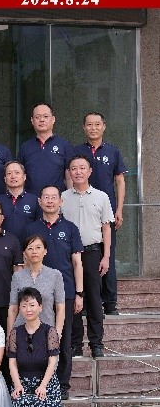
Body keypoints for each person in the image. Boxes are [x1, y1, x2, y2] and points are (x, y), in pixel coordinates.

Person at [25, 186, 82, 391]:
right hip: (36, 293)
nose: (50, 201)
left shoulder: (71, 228)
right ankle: (40, 382)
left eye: (54, 197)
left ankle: (62, 385)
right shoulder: (31, 228)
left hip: (65, 291)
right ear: (39, 201)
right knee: (36, 338)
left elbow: (77, 262)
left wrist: (79, 293)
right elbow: (26, 261)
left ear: (61, 201)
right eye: (46, 197)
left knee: (62, 339)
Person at [7, 287, 73, 407]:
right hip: (22, 380)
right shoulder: (15, 333)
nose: (28, 310)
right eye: (24, 306)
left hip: (45, 381)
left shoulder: (49, 331)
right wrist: (17, 385)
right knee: (21, 405)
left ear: (40, 307)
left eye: (32, 305)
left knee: (40, 406)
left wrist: (43, 385)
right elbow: (12, 363)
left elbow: (52, 362)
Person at [71, 112, 127, 316]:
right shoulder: (77, 151)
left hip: (106, 212)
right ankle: (85, 301)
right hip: (82, 212)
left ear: (104, 126)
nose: (93, 128)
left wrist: (119, 208)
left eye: (97, 124)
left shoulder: (113, 151)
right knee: (84, 257)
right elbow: (69, 177)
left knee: (107, 255)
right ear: (83, 127)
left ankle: (110, 302)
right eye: (89, 124)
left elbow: (120, 181)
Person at [62, 155, 114, 358]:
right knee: (73, 299)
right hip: (69, 255)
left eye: (82, 168)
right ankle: (76, 343)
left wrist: (106, 256)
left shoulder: (101, 197)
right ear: (69, 172)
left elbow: (106, 228)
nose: (78, 172)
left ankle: (96, 343)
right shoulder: (63, 198)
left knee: (93, 299)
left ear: (90, 171)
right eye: (74, 168)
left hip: (92, 252)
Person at [7, 235, 67, 332]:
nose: (34, 251)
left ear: (45, 251)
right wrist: (10, 334)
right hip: (21, 331)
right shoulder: (17, 276)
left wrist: (57, 333)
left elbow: (60, 307)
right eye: (30, 248)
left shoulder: (55, 275)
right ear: (24, 253)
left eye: (38, 247)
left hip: (47, 330)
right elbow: (13, 307)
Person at [17, 104, 72, 193]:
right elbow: (19, 177)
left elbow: (69, 177)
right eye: (37, 117)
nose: (42, 120)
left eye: (46, 116)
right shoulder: (25, 147)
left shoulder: (64, 145)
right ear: (32, 121)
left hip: (56, 199)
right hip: (31, 199)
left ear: (53, 119)